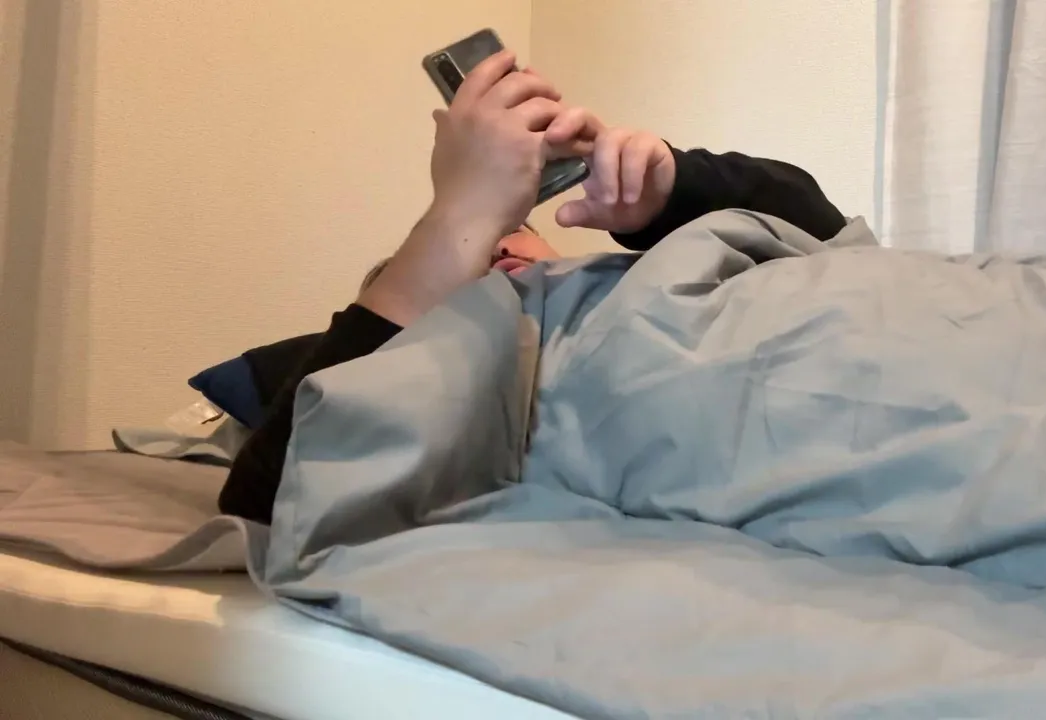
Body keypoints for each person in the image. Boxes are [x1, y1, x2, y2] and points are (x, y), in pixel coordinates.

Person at [219, 51, 847, 524]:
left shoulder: (653, 278)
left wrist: (671, 186)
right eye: (463, 273)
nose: (494, 248)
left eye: (510, 231)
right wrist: (460, 212)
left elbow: (831, 242)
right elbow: (272, 499)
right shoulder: (491, 399)